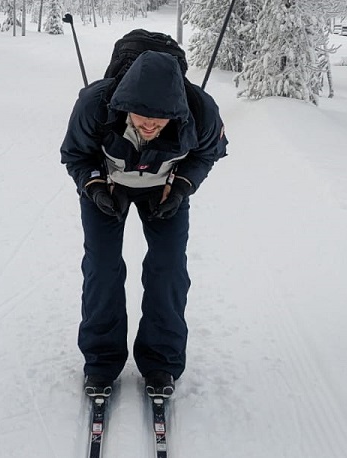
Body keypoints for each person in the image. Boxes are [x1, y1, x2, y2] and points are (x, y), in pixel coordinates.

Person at [60, 49, 227, 398]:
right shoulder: (94, 105)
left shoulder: (201, 111)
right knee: (102, 268)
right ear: (124, 104)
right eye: (141, 117)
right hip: (106, 189)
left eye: (160, 120)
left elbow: (206, 153)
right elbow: (75, 154)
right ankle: (102, 363)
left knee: (167, 270)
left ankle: (161, 362)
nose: (149, 126)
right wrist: (94, 188)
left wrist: (181, 187)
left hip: (164, 192)